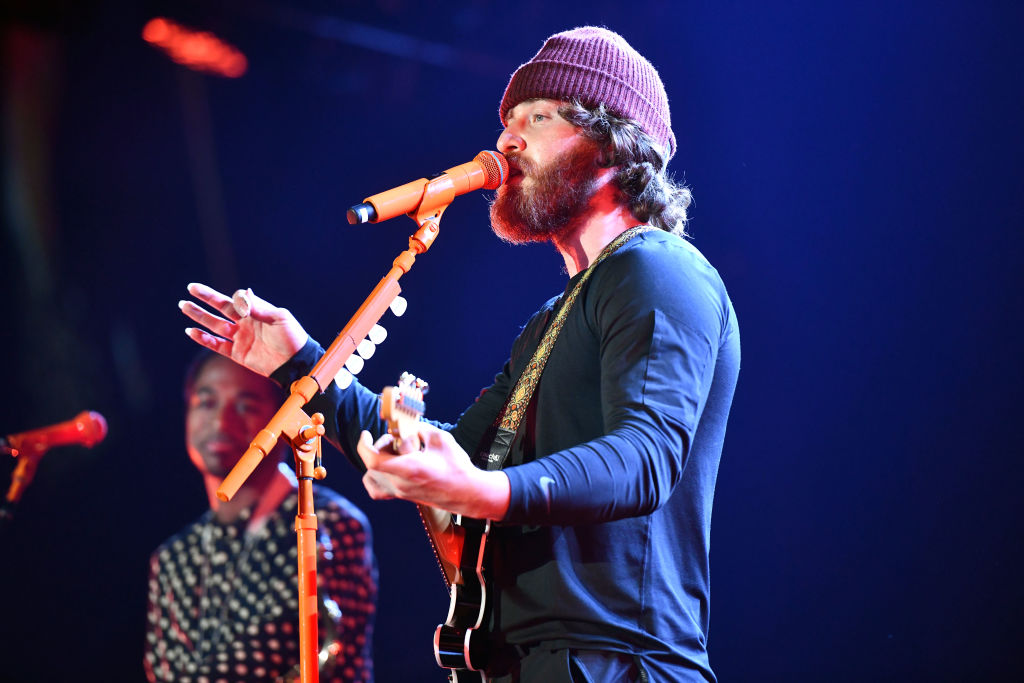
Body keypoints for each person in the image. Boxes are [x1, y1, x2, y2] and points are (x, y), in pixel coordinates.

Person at [180, 26, 739, 682]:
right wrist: (299, 362)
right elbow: (464, 455)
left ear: (612, 146)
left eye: (537, 117)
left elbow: (646, 456)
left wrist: (482, 489)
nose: (507, 139)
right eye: (507, 121)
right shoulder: (550, 322)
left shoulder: (659, 272)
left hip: (620, 661)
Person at [144, 351, 378, 682]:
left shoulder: (331, 522)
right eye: (207, 402)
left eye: (246, 406)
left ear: (282, 418)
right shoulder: (172, 557)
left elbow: (272, 652)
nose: (222, 422)